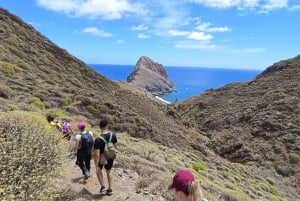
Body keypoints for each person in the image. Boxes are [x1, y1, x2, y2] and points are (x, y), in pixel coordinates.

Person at [94, 119, 117, 195]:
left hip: (101, 158)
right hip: (110, 156)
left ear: (100, 127)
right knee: (109, 171)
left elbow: (97, 154)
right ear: (107, 126)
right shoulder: (113, 135)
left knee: (99, 171)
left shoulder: (98, 139)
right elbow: (115, 147)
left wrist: (96, 165)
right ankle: (110, 189)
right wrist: (115, 155)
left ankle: (102, 187)